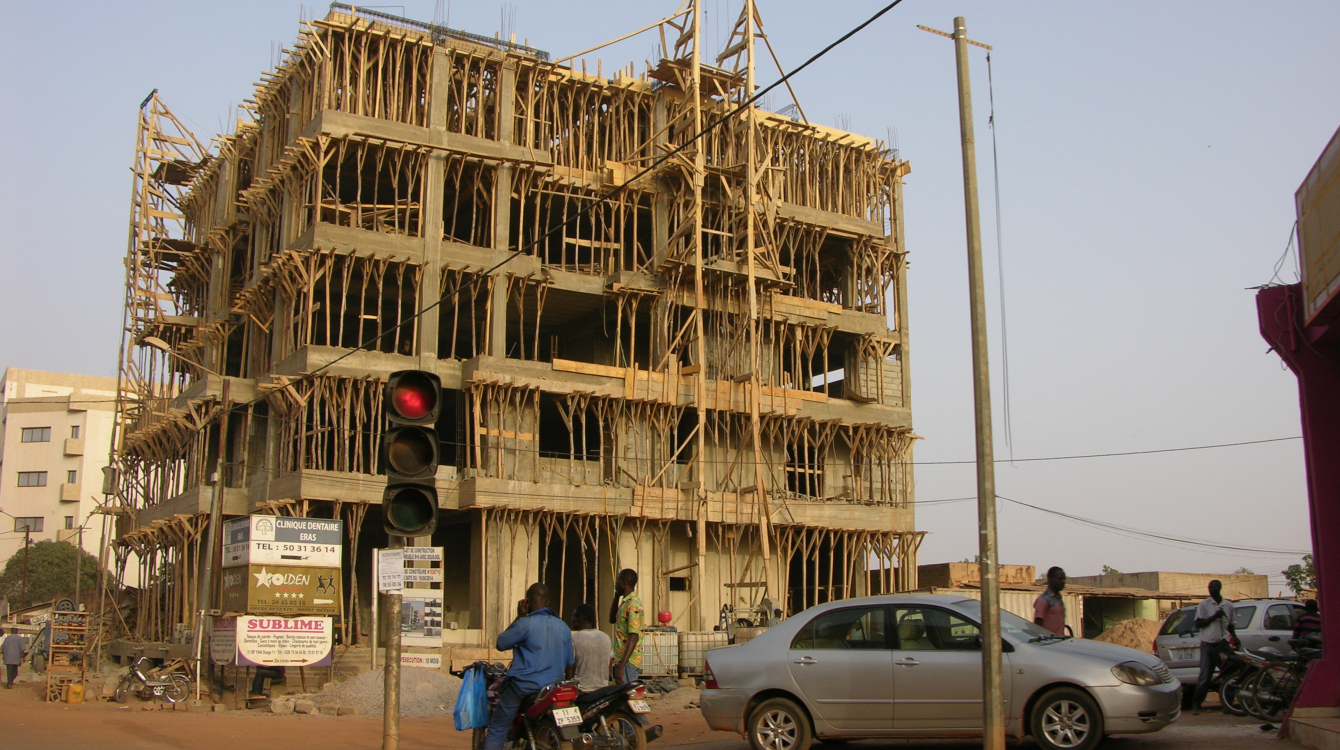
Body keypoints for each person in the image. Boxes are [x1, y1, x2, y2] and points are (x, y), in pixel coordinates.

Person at [483, 583, 574, 750]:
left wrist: (519, 616)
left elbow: (501, 643)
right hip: (552, 688)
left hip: (523, 687)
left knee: (497, 727)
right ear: (547, 602)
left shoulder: (525, 624)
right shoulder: (564, 627)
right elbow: (570, 664)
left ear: (528, 601)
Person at [1191, 579, 1236, 714]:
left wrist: (1236, 638)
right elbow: (1198, 624)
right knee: (1205, 676)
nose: (1211, 589)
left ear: (1219, 588)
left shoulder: (1228, 605)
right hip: (1208, 645)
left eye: (1214, 587)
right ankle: (1196, 705)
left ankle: (1228, 705)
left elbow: (1231, 625)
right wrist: (1214, 617)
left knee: (1229, 674)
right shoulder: (1204, 605)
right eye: (1209, 587)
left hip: (1222, 644)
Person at [608, 569, 644, 684]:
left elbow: (634, 637)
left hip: (628, 661)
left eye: (618, 580)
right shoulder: (625, 603)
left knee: (628, 696)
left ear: (624, 582)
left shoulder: (633, 604)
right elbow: (611, 619)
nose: (615, 583)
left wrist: (622, 667)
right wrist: (616, 596)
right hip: (620, 659)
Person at [568, 603, 613, 693]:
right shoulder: (606, 637)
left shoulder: (574, 639)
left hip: (581, 690)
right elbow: (610, 663)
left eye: (573, 617)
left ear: (579, 620)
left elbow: (570, 667)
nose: (571, 620)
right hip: (602, 690)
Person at [1033, 567, 1067, 636]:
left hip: (1060, 641)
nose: (1063, 582)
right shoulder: (1043, 600)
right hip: (1049, 642)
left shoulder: (1059, 598)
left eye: (1064, 579)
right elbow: (1037, 626)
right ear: (1050, 579)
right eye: (1060, 579)